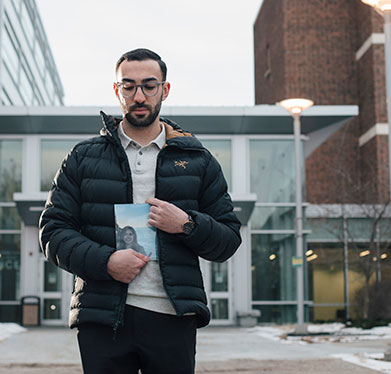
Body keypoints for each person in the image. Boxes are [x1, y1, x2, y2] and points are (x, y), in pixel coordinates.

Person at [39, 48, 241, 374]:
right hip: (103, 317)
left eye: (149, 85)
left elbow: (229, 239)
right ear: (117, 90)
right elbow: (52, 231)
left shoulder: (198, 161)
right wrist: (107, 262)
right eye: (129, 86)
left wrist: (188, 224)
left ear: (165, 89)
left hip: (172, 317)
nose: (139, 96)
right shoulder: (83, 157)